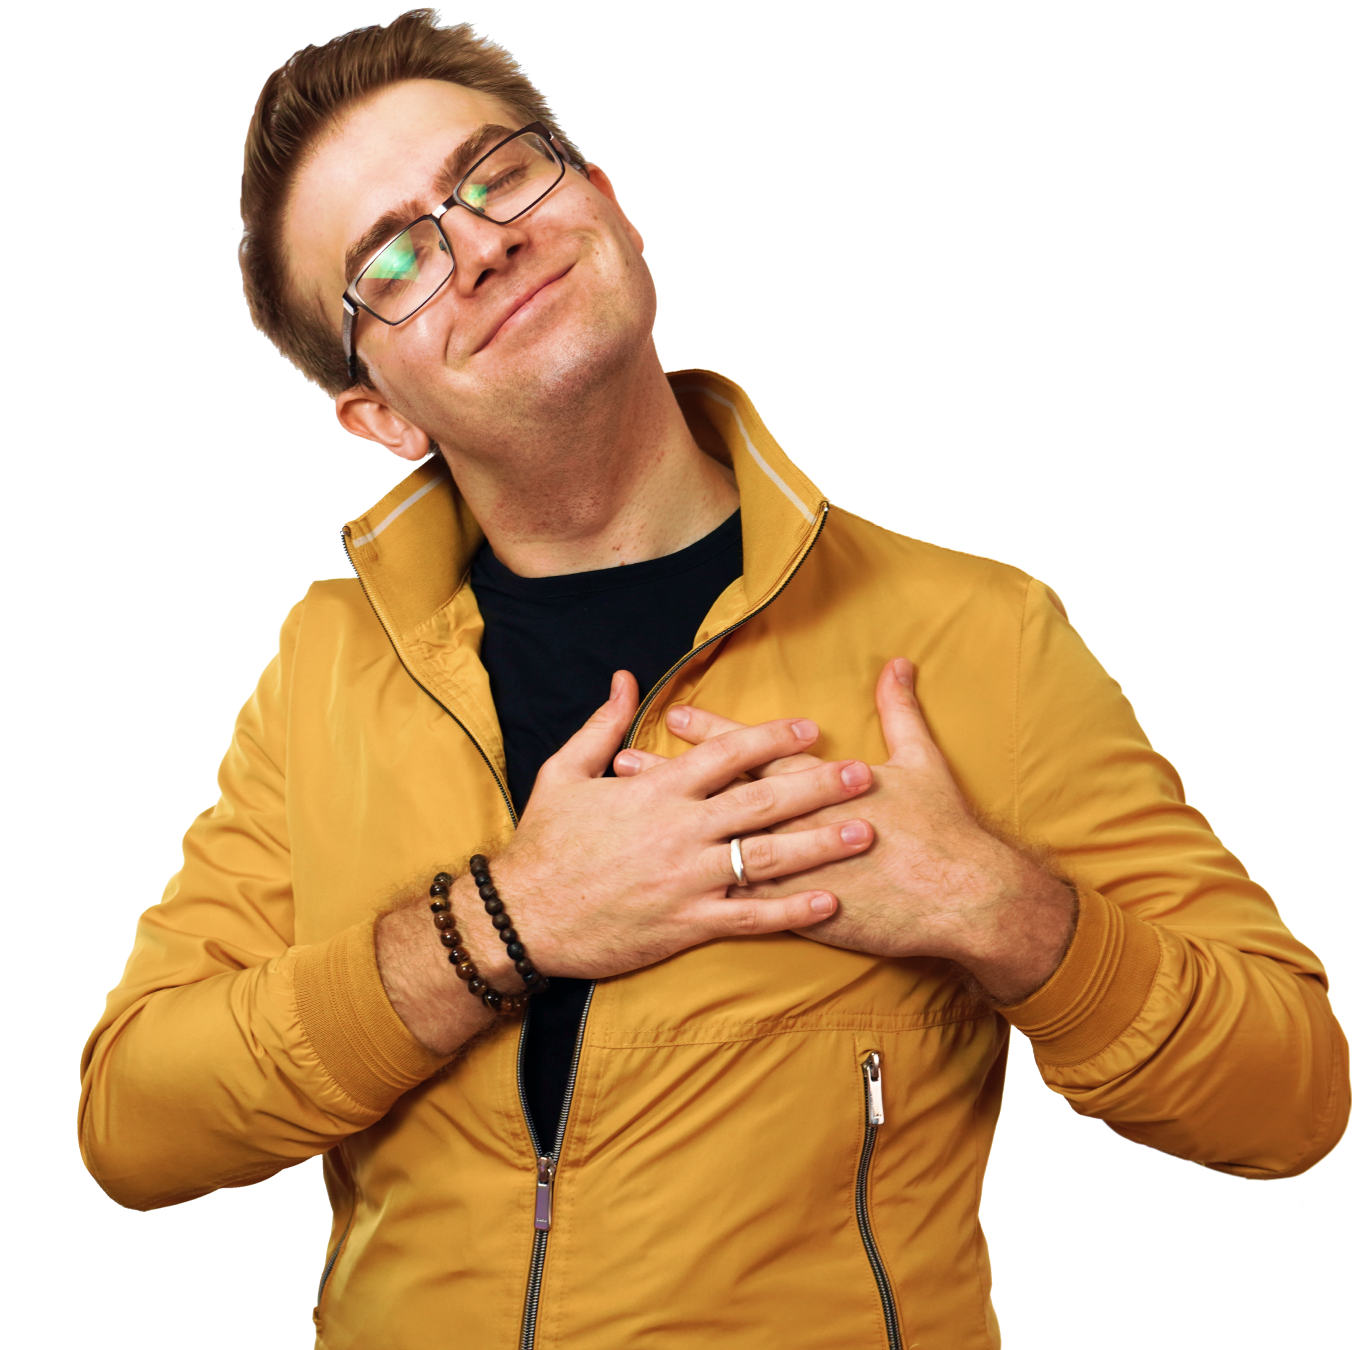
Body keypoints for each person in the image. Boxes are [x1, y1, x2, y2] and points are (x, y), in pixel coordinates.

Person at [78, 12, 1348, 1349]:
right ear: (379, 415)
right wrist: (505, 923)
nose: (481, 243)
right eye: (393, 259)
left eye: (498, 175)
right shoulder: (328, 670)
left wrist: (1008, 914)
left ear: (610, 209)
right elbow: (133, 1128)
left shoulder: (976, 635)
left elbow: (1294, 1099)